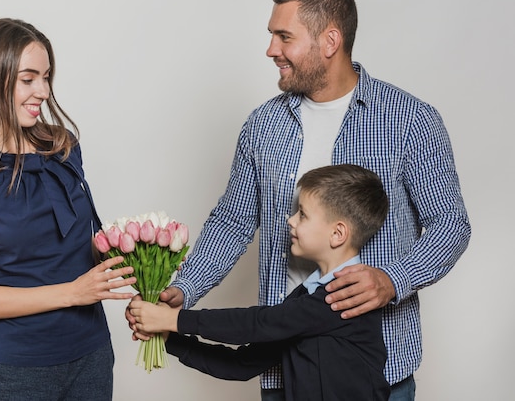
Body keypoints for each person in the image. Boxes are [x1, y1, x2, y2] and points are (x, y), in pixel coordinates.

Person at [126, 0, 471, 401]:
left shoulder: (409, 120)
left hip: (379, 374)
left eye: (284, 37)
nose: (271, 50)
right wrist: (184, 289)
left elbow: (451, 224)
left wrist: (392, 279)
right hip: (281, 365)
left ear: (329, 41)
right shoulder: (263, 125)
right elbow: (232, 222)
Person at [0, 18, 136, 400]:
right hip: (13, 370)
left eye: (46, 77)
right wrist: (73, 293)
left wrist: (134, 259)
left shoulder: (63, 147)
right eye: (28, 79)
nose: (43, 90)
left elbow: (74, 247)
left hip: (91, 354)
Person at [130, 164, 391, 401]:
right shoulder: (306, 297)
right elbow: (241, 364)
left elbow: (259, 323)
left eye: (302, 214)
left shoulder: (343, 296)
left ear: (337, 233)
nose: (290, 220)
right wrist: (168, 337)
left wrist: (173, 320)